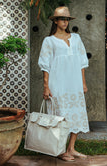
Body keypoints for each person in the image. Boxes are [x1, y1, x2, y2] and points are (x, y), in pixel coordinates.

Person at [38, 6, 90, 162]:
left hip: (74, 84)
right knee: (59, 118)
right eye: (62, 19)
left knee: (77, 115)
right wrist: (46, 86)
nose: (65, 22)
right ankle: (60, 150)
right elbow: (45, 65)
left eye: (67, 19)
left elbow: (82, 63)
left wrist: (83, 83)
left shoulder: (76, 38)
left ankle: (71, 148)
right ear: (55, 21)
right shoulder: (49, 41)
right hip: (58, 84)